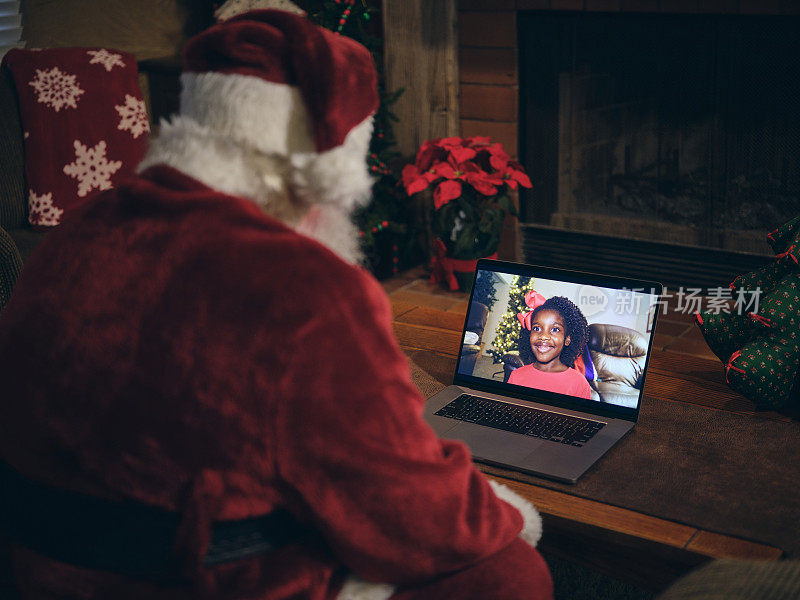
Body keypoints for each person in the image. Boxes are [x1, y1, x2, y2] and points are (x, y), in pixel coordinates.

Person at [0, 10, 553, 600]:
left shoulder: (77, 234)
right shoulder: (303, 291)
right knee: (510, 574)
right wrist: (506, 515)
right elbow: (413, 514)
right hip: (191, 577)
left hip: (35, 567)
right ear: (321, 175)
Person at [509, 296, 592, 400]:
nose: (543, 336)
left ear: (567, 339)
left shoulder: (579, 384)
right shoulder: (516, 376)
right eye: (537, 328)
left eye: (555, 329)